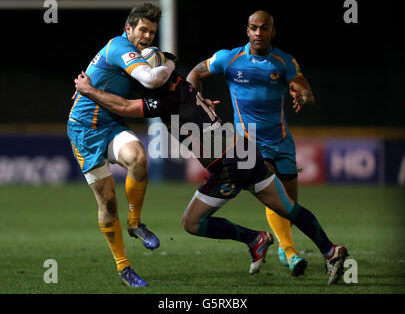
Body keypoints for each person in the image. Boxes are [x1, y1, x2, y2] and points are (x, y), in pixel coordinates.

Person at [73, 69, 349, 285]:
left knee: (191, 223)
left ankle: (254, 239)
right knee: (288, 208)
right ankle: (330, 251)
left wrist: (88, 89)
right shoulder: (185, 86)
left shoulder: (166, 100)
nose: (145, 80)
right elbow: (193, 79)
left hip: (227, 165)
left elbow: (122, 107)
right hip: (244, 152)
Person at [186, 10, 314, 277]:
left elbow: (306, 91)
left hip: (281, 141)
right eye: (253, 28)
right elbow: (193, 75)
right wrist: (199, 104)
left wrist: (302, 96)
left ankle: (282, 246)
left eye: (264, 28)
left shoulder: (284, 62)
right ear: (247, 31)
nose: (258, 32)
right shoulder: (229, 58)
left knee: (288, 204)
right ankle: (291, 253)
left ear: (272, 32)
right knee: (274, 193)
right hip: (249, 143)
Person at [67, 3, 176, 287]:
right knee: (108, 202)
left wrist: (165, 64)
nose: (148, 36)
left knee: (139, 158)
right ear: (129, 29)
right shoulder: (119, 47)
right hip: (84, 130)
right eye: (143, 29)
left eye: (152, 31)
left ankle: (135, 222)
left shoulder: (144, 54)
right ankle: (123, 266)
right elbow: (151, 79)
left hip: (112, 124)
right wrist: (168, 64)